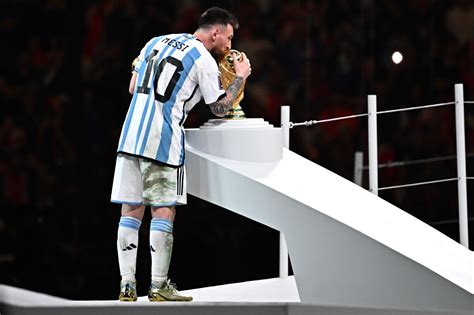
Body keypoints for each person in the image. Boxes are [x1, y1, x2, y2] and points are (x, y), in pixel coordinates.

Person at [111, 7, 252, 302]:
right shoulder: (203, 59)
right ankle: (159, 285)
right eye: (229, 37)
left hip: (130, 136)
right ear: (215, 32)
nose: (229, 44)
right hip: (163, 141)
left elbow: (132, 86)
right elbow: (219, 108)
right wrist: (240, 77)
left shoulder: (155, 41)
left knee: (130, 209)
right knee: (163, 209)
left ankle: (127, 284)